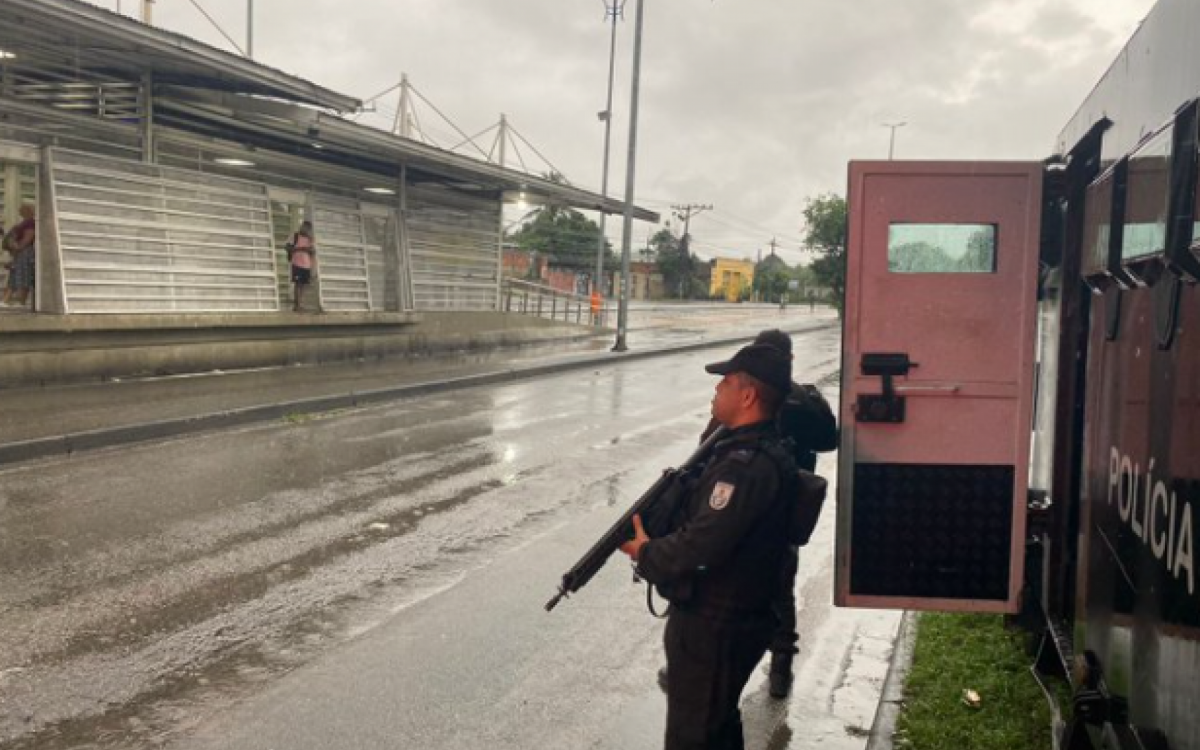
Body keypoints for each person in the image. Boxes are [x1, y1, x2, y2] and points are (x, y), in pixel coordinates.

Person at [621, 343, 797, 750]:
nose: (716, 389)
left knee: (694, 735)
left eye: (726, 382)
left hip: (718, 623)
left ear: (748, 395)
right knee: (716, 727)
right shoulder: (750, 450)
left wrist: (644, 552)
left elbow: (702, 544)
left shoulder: (743, 466)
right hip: (730, 618)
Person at [749, 328, 838, 698]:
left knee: (718, 580)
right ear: (789, 359)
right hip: (789, 508)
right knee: (781, 585)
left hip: (748, 504)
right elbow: (831, 441)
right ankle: (781, 667)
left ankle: (691, 664)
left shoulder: (751, 395)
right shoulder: (806, 398)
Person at [5, 204, 36, 308]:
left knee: (24, 275)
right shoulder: (23, 223)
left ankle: (21, 301)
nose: (20, 211)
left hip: (24, 251)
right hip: (19, 252)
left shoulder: (30, 222)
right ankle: (6, 300)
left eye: (22, 209)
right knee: (15, 275)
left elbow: (28, 237)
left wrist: (18, 247)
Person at [285, 220, 316, 312]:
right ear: (302, 226)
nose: (306, 229)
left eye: (308, 228)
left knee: (303, 285)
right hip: (297, 264)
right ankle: (297, 305)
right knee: (297, 284)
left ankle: (300, 304)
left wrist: (309, 249)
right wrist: (300, 248)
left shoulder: (310, 239)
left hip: (306, 265)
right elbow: (287, 247)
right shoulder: (294, 236)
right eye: (304, 227)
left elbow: (313, 251)